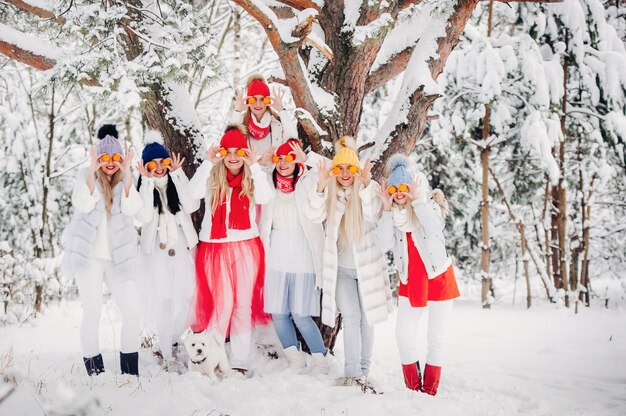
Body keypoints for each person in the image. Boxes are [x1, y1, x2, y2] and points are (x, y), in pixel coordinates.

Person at [303, 136, 392, 390]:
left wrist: (364, 185)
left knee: (367, 318)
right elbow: (313, 214)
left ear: (355, 170)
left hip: (367, 269)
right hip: (340, 270)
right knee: (351, 316)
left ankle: (364, 370)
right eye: (339, 168)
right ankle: (351, 372)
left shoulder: (368, 189)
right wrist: (320, 187)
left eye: (349, 169)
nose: (344, 174)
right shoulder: (329, 192)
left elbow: (375, 213)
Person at [188, 125, 273, 374]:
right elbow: (190, 195)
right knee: (221, 304)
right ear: (222, 152)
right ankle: (211, 359)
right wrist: (206, 162)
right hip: (215, 248)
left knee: (242, 305)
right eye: (228, 151)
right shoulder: (212, 176)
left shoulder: (251, 176)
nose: (233, 156)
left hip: (246, 246)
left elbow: (266, 198)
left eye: (239, 151)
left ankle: (239, 362)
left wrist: (255, 165)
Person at [61, 124, 142, 376]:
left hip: (118, 260)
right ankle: (94, 371)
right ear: (97, 158)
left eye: (115, 158)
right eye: (104, 158)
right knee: (92, 312)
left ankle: (129, 371)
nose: (109, 163)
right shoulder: (88, 177)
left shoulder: (125, 181)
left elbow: (133, 211)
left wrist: (128, 173)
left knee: (133, 311)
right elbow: (82, 204)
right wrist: (90, 172)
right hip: (89, 259)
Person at [378, 154, 460, 396]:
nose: (400, 192)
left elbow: (435, 227)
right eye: (394, 188)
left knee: (436, 338)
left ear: (412, 186)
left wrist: (417, 202)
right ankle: (413, 389)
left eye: (404, 187)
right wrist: (384, 209)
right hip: (410, 280)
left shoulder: (427, 206)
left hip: (439, 278)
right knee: (403, 335)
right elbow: (382, 244)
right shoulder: (392, 215)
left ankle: (429, 391)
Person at [258, 139, 328, 372]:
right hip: (276, 252)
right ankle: (295, 359)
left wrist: (307, 159)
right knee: (278, 313)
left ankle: (320, 359)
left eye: (289, 157)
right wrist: (261, 163)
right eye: (279, 158)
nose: (283, 163)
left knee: (301, 315)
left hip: (303, 253)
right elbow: (247, 175)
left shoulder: (308, 180)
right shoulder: (268, 182)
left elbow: (331, 168)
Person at [135, 130, 198, 371]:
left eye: (163, 162)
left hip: (180, 250)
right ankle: (168, 354)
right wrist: (147, 181)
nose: (160, 167)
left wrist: (178, 173)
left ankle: (170, 340)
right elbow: (144, 216)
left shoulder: (175, 184)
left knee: (188, 299)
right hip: (157, 255)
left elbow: (191, 204)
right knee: (165, 302)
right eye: (154, 164)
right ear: (146, 165)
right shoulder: (145, 188)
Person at [231, 74, 297, 157]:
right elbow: (229, 141)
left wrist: (281, 110)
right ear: (248, 101)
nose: (258, 104)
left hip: (274, 168)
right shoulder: (240, 122)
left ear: (267, 101)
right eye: (253, 99)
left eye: (263, 99)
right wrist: (238, 111)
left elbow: (293, 139)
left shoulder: (276, 121)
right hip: (250, 169)